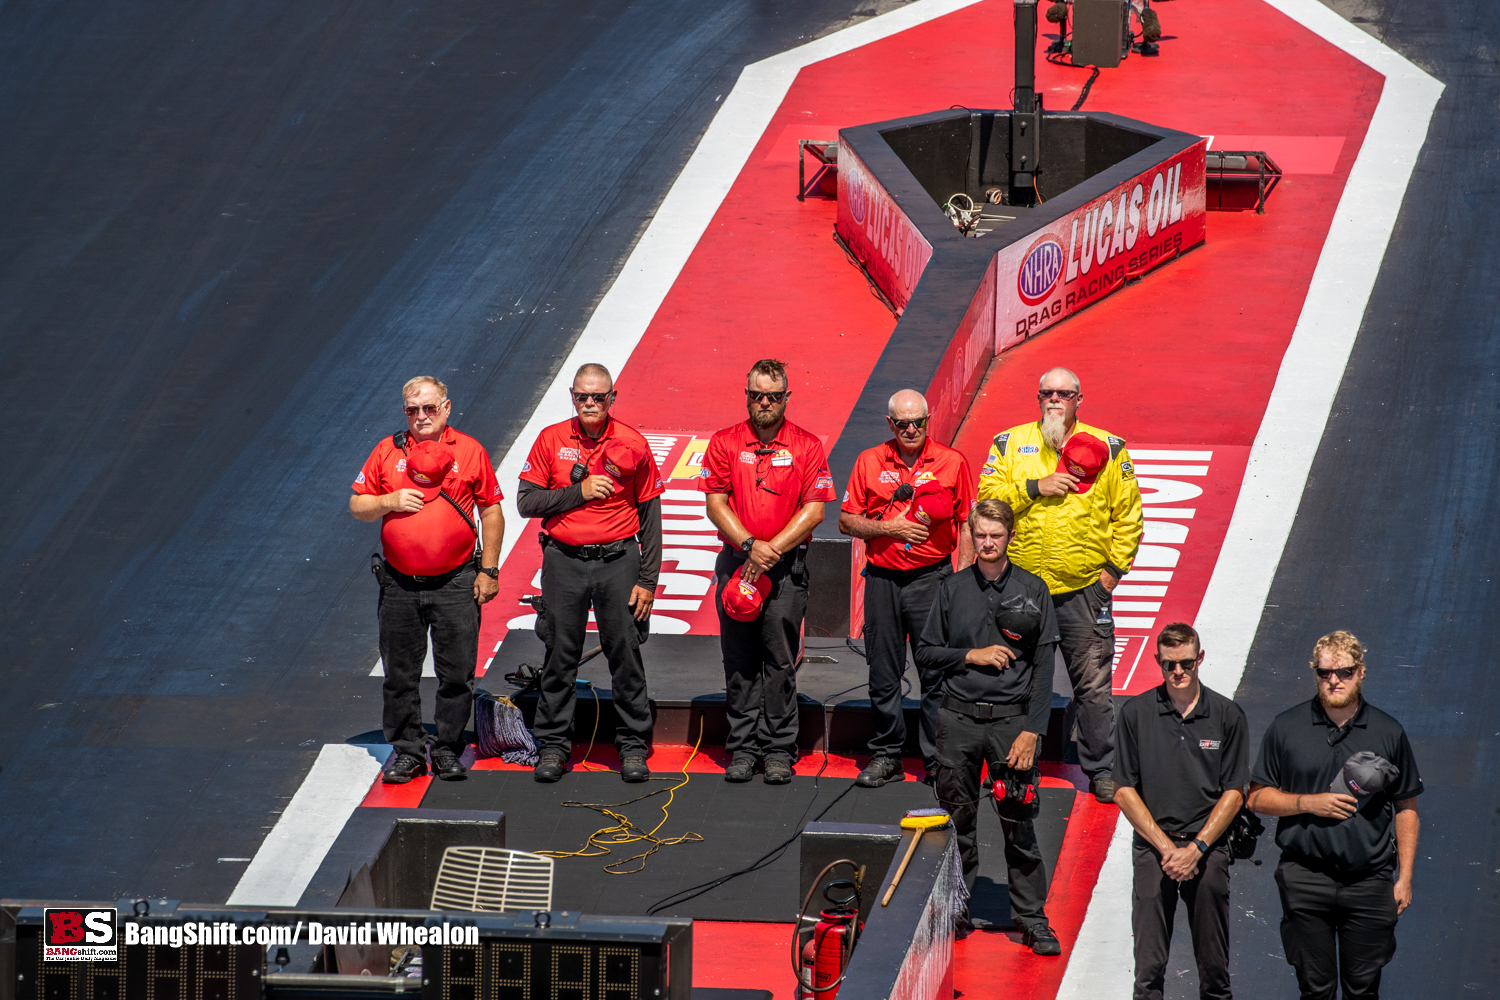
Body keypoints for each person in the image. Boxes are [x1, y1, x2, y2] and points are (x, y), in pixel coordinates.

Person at [978, 366, 1143, 802]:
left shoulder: (1111, 448)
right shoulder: (1008, 442)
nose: (1055, 399)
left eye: (1064, 393)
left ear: (1078, 400)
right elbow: (987, 503)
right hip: (1020, 588)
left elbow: (1129, 517)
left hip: (1083, 588)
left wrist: (1111, 575)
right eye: (1047, 393)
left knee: (1092, 685)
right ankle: (1007, 764)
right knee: (1009, 676)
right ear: (1038, 398)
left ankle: (1101, 770)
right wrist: (1035, 486)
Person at [916, 499, 1062, 956]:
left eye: (996, 535)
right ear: (971, 536)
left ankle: (1032, 919)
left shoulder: (1033, 589)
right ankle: (955, 912)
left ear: (1010, 537)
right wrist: (970, 655)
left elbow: (1044, 670)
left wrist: (1032, 732)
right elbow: (925, 653)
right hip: (957, 720)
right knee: (957, 822)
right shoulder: (952, 588)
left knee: (1019, 823)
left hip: (1012, 725)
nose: (987, 542)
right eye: (980, 534)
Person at [1248, 630, 1422, 1000]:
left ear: (1361, 672)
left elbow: (1406, 808)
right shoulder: (1286, 727)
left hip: (1369, 882)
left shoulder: (1388, 732)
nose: (1334, 680)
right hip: (1305, 878)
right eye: (1325, 672)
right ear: (1315, 673)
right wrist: (1308, 803)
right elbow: (1257, 797)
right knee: (1315, 989)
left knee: (1363, 989)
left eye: (1344, 672)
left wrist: (1405, 877)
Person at [351, 376, 505, 784]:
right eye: (412, 409)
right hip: (399, 585)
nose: (421, 416)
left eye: (429, 408)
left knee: (456, 674)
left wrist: (489, 570)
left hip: (456, 583)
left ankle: (448, 748)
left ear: (446, 408)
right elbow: (358, 505)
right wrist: (389, 500)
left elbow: (491, 511)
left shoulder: (469, 451)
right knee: (399, 675)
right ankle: (408, 752)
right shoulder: (387, 451)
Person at [517, 363, 665, 783]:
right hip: (563, 561)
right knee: (559, 655)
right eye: (582, 396)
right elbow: (527, 503)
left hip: (619, 562)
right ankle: (553, 746)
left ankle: (633, 747)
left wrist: (648, 581)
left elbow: (651, 517)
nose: (589, 403)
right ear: (572, 396)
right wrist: (578, 492)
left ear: (612, 398)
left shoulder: (633, 443)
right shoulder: (551, 440)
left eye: (598, 397)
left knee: (625, 654)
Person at [701, 359, 835, 784]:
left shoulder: (807, 446)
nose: (764, 402)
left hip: (784, 570)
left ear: (786, 398)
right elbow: (715, 504)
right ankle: (743, 748)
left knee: (779, 661)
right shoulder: (724, 442)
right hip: (737, 565)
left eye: (773, 396)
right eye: (757, 395)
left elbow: (815, 511)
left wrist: (768, 551)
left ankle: (779, 750)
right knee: (739, 660)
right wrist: (749, 547)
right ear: (747, 396)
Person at [839, 389, 975, 787]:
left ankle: (937, 760)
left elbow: (967, 523)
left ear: (928, 421)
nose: (912, 429)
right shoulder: (869, 461)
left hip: (932, 579)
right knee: (883, 672)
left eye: (919, 422)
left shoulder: (952, 461)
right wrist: (890, 528)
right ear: (890, 424)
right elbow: (847, 521)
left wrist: (963, 581)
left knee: (936, 674)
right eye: (903, 424)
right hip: (883, 580)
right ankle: (887, 755)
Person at [1113, 622, 1250, 1000]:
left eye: (1186, 663)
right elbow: (1123, 789)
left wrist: (1197, 849)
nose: (1178, 672)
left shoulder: (1227, 715)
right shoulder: (1135, 713)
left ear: (1200, 658)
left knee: (1214, 969)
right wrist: (1167, 849)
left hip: (1208, 850)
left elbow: (1235, 792)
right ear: (1157, 661)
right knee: (1148, 970)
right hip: (1153, 850)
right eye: (1168, 664)